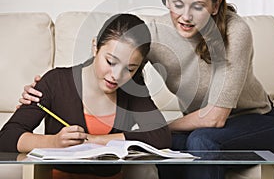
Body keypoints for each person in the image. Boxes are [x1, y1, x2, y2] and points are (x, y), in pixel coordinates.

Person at [18, 0, 274, 179]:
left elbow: (215, 118)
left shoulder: (236, 31)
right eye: (177, 4)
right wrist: (47, 86)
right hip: (197, 129)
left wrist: (161, 127)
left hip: (257, 122)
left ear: (216, 5)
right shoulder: (154, 35)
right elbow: (112, 64)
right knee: (161, 147)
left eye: (198, 7)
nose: (185, 16)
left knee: (199, 142)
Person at [0, 13, 171, 179]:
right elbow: (7, 137)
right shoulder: (56, 81)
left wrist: (96, 140)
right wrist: (54, 142)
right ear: (95, 47)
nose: (116, 76)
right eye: (111, 62)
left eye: (130, 68)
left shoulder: (132, 88)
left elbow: (160, 136)